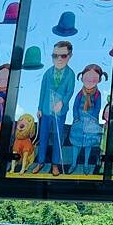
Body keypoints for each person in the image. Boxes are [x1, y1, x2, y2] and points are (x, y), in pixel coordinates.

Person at [32, 41, 75, 177]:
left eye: (63, 56)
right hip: (45, 110)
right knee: (43, 136)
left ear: (69, 56)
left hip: (60, 112)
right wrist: (39, 108)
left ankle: (55, 164)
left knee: (58, 137)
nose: (59, 59)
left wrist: (63, 102)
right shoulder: (47, 73)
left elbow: (70, 91)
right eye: (55, 56)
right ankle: (40, 162)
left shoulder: (70, 74)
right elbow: (42, 91)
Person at [69, 64, 108, 175]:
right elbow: (75, 106)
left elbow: (97, 108)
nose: (90, 80)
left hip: (90, 122)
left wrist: (93, 119)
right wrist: (76, 118)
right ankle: (73, 163)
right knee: (76, 143)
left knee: (88, 144)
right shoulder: (80, 93)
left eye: (94, 78)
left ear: (99, 80)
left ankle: (86, 164)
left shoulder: (97, 94)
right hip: (79, 122)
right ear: (82, 78)